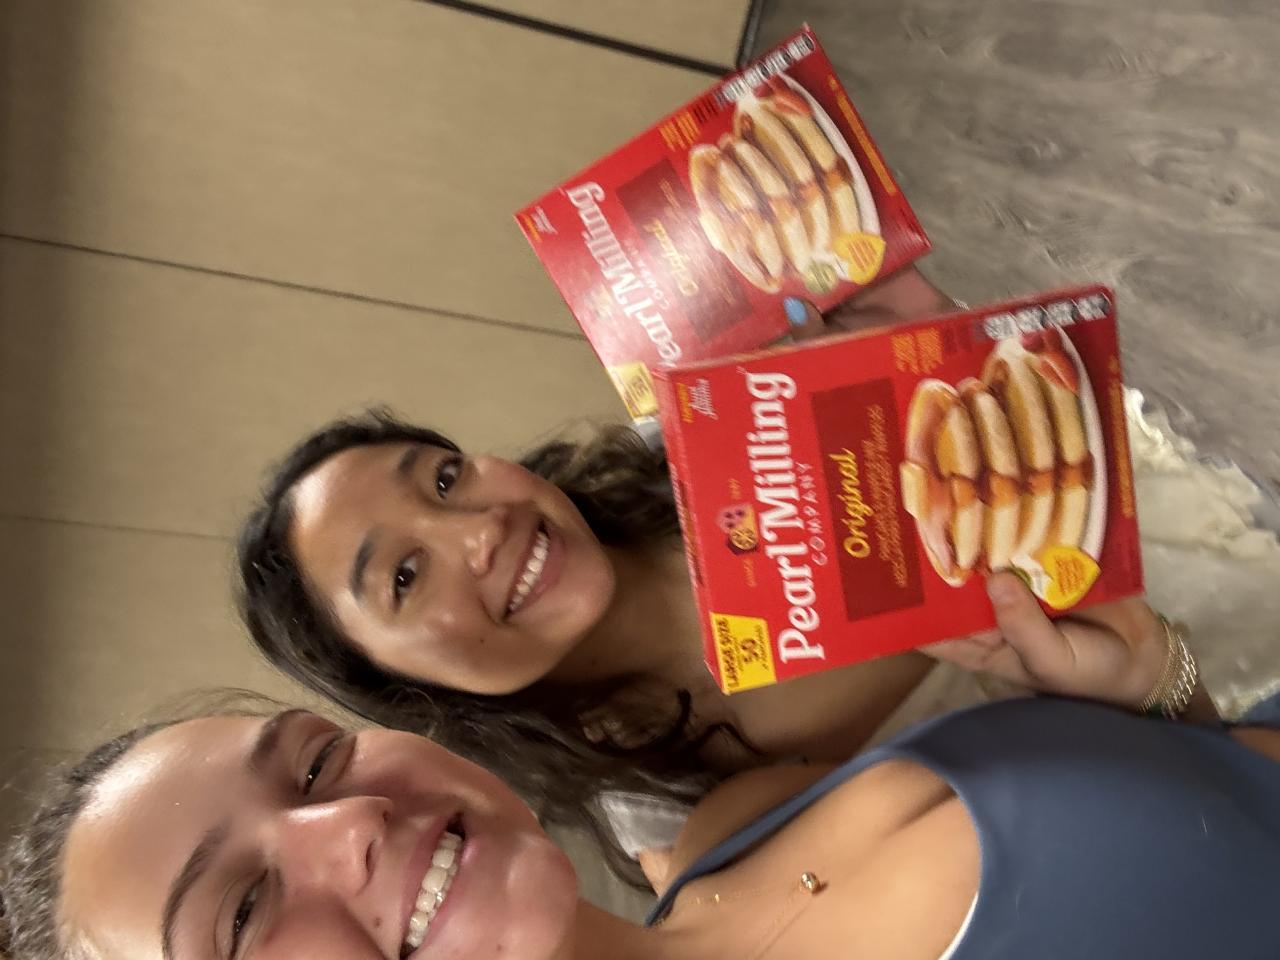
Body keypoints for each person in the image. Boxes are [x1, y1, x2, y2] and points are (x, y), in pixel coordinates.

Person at [5, 580, 1280, 960]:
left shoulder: (737, 821)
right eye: (240, 915)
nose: (347, 820)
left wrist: (1152, 690)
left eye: (313, 761)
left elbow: (1214, 794)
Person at [234, 268, 973, 869]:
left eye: (445, 478)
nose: (483, 529)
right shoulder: (670, 817)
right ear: (409, 688)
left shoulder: (704, 429)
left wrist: (932, 350)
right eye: (404, 577)